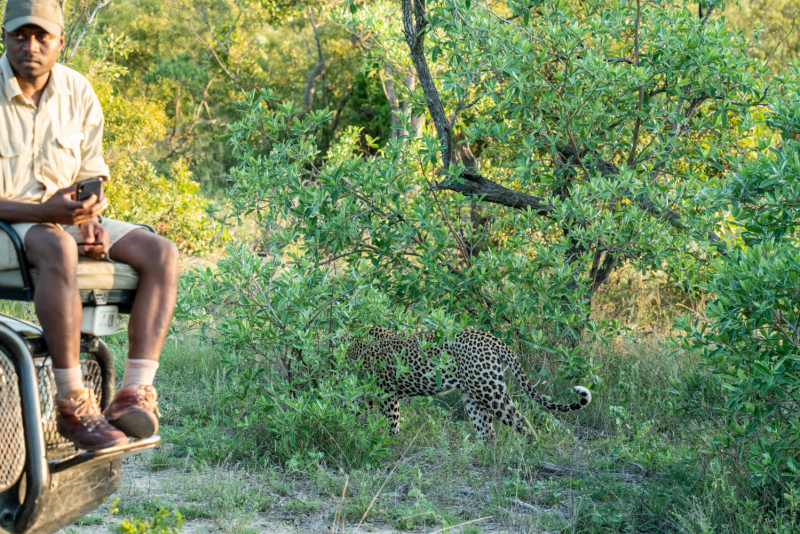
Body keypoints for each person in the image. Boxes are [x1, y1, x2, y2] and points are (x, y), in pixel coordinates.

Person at [0, 0, 179, 450]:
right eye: (20, 35)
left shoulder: (77, 90)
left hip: (62, 221)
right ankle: (73, 402)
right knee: (56, 246)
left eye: (42, 37)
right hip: (11, 226)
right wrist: (49, 216)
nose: (31, 46)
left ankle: (133, 393)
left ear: (60, 40)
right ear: (4, 37)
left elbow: (89, 172)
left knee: (161, 253)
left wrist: (92, 216)